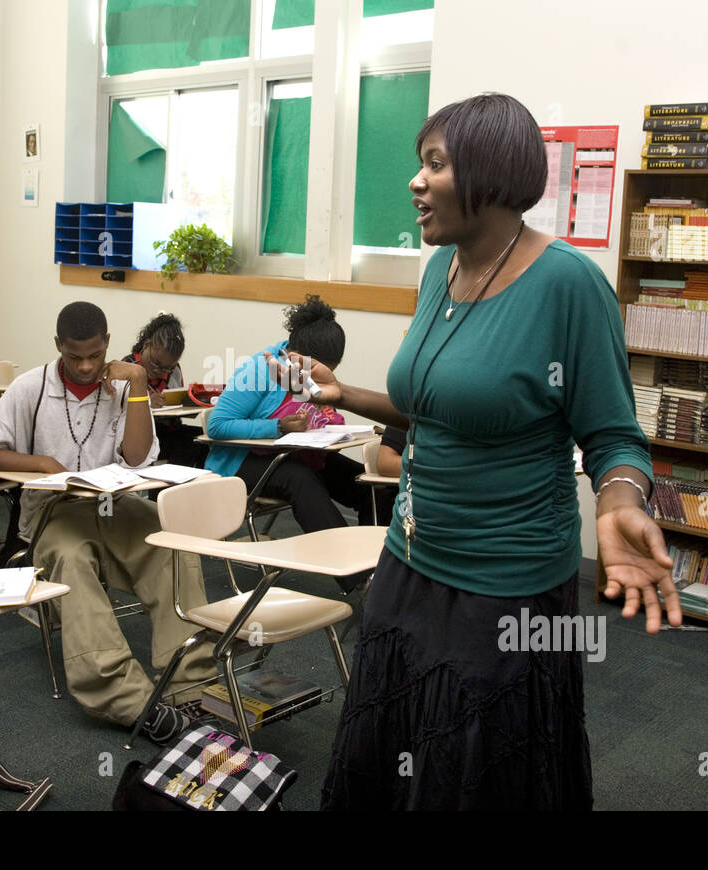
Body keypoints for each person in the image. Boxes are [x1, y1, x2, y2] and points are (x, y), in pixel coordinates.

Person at [274, 93, 677, 810]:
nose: (415, 182)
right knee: (393, 752)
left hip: (508, 577)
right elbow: (436, 402)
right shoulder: (441, 271)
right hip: (409, 558)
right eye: (418, 164)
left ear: (491, 175)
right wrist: (348, 395)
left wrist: (619, 500)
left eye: (435, 164)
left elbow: (614, 437)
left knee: (475, 772)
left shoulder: (568, 285)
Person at [0, 301, 212, 742]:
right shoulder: (29, 388)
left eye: (95, 356)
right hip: (54, 512)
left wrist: (137, 382)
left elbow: (137, 457)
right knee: (70, 559)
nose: (84, 366)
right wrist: (39, 462)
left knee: (171, 542)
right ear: (58, 345)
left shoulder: (122, 387)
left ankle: (188, 682)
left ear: (108, 346)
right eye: (74, 355)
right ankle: (126, 700)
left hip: (114, 504)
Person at [204, 296, 380, 589]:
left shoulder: (310, 371)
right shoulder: (259, 371)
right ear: (295, 356)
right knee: (301, 481)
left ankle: (380, 565)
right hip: (239, 462)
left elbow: (318, 411)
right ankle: (359, 578)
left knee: (364, 483)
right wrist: (277, 427)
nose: (317, 380)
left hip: (294, 453)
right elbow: (217, 425)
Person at [121, 312, 203, 467]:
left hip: (169, 429)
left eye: (167, 367)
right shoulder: (128, 368)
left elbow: (175, 405)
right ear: (146, 346)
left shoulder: (174, 370)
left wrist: (188, 401)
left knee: (201, 440)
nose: (159, 371)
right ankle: (163, 488)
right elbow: (117, 413)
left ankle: (181, 486)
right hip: (138, 436)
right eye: (156, 363)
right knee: (181, 446)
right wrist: (146, 404)